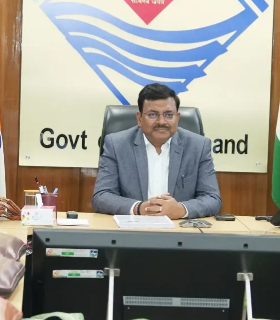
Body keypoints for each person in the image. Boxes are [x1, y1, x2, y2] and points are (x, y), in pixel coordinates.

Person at [92, 83, 221, 219]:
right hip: (132, 228)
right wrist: (139, 208)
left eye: (168, 115)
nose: (161, 121)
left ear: (177, 118)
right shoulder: (116, 145)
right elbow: (102, 196)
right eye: (153, 114)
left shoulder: (198, 146)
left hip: (179, 229)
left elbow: (212, 199)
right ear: (139, 118)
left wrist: (181, 210)